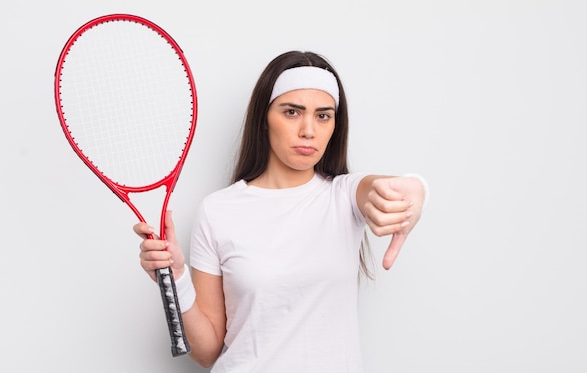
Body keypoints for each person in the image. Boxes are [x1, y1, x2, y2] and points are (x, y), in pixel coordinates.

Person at [134, 50, 428, 372]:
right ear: (264, 118)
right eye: (292, 112)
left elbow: (382, 187)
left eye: (323, 116)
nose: (308, 130)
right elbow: (206, 352)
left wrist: (414, 187)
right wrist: (176, 277)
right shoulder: (218, 210)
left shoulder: (343, 196)